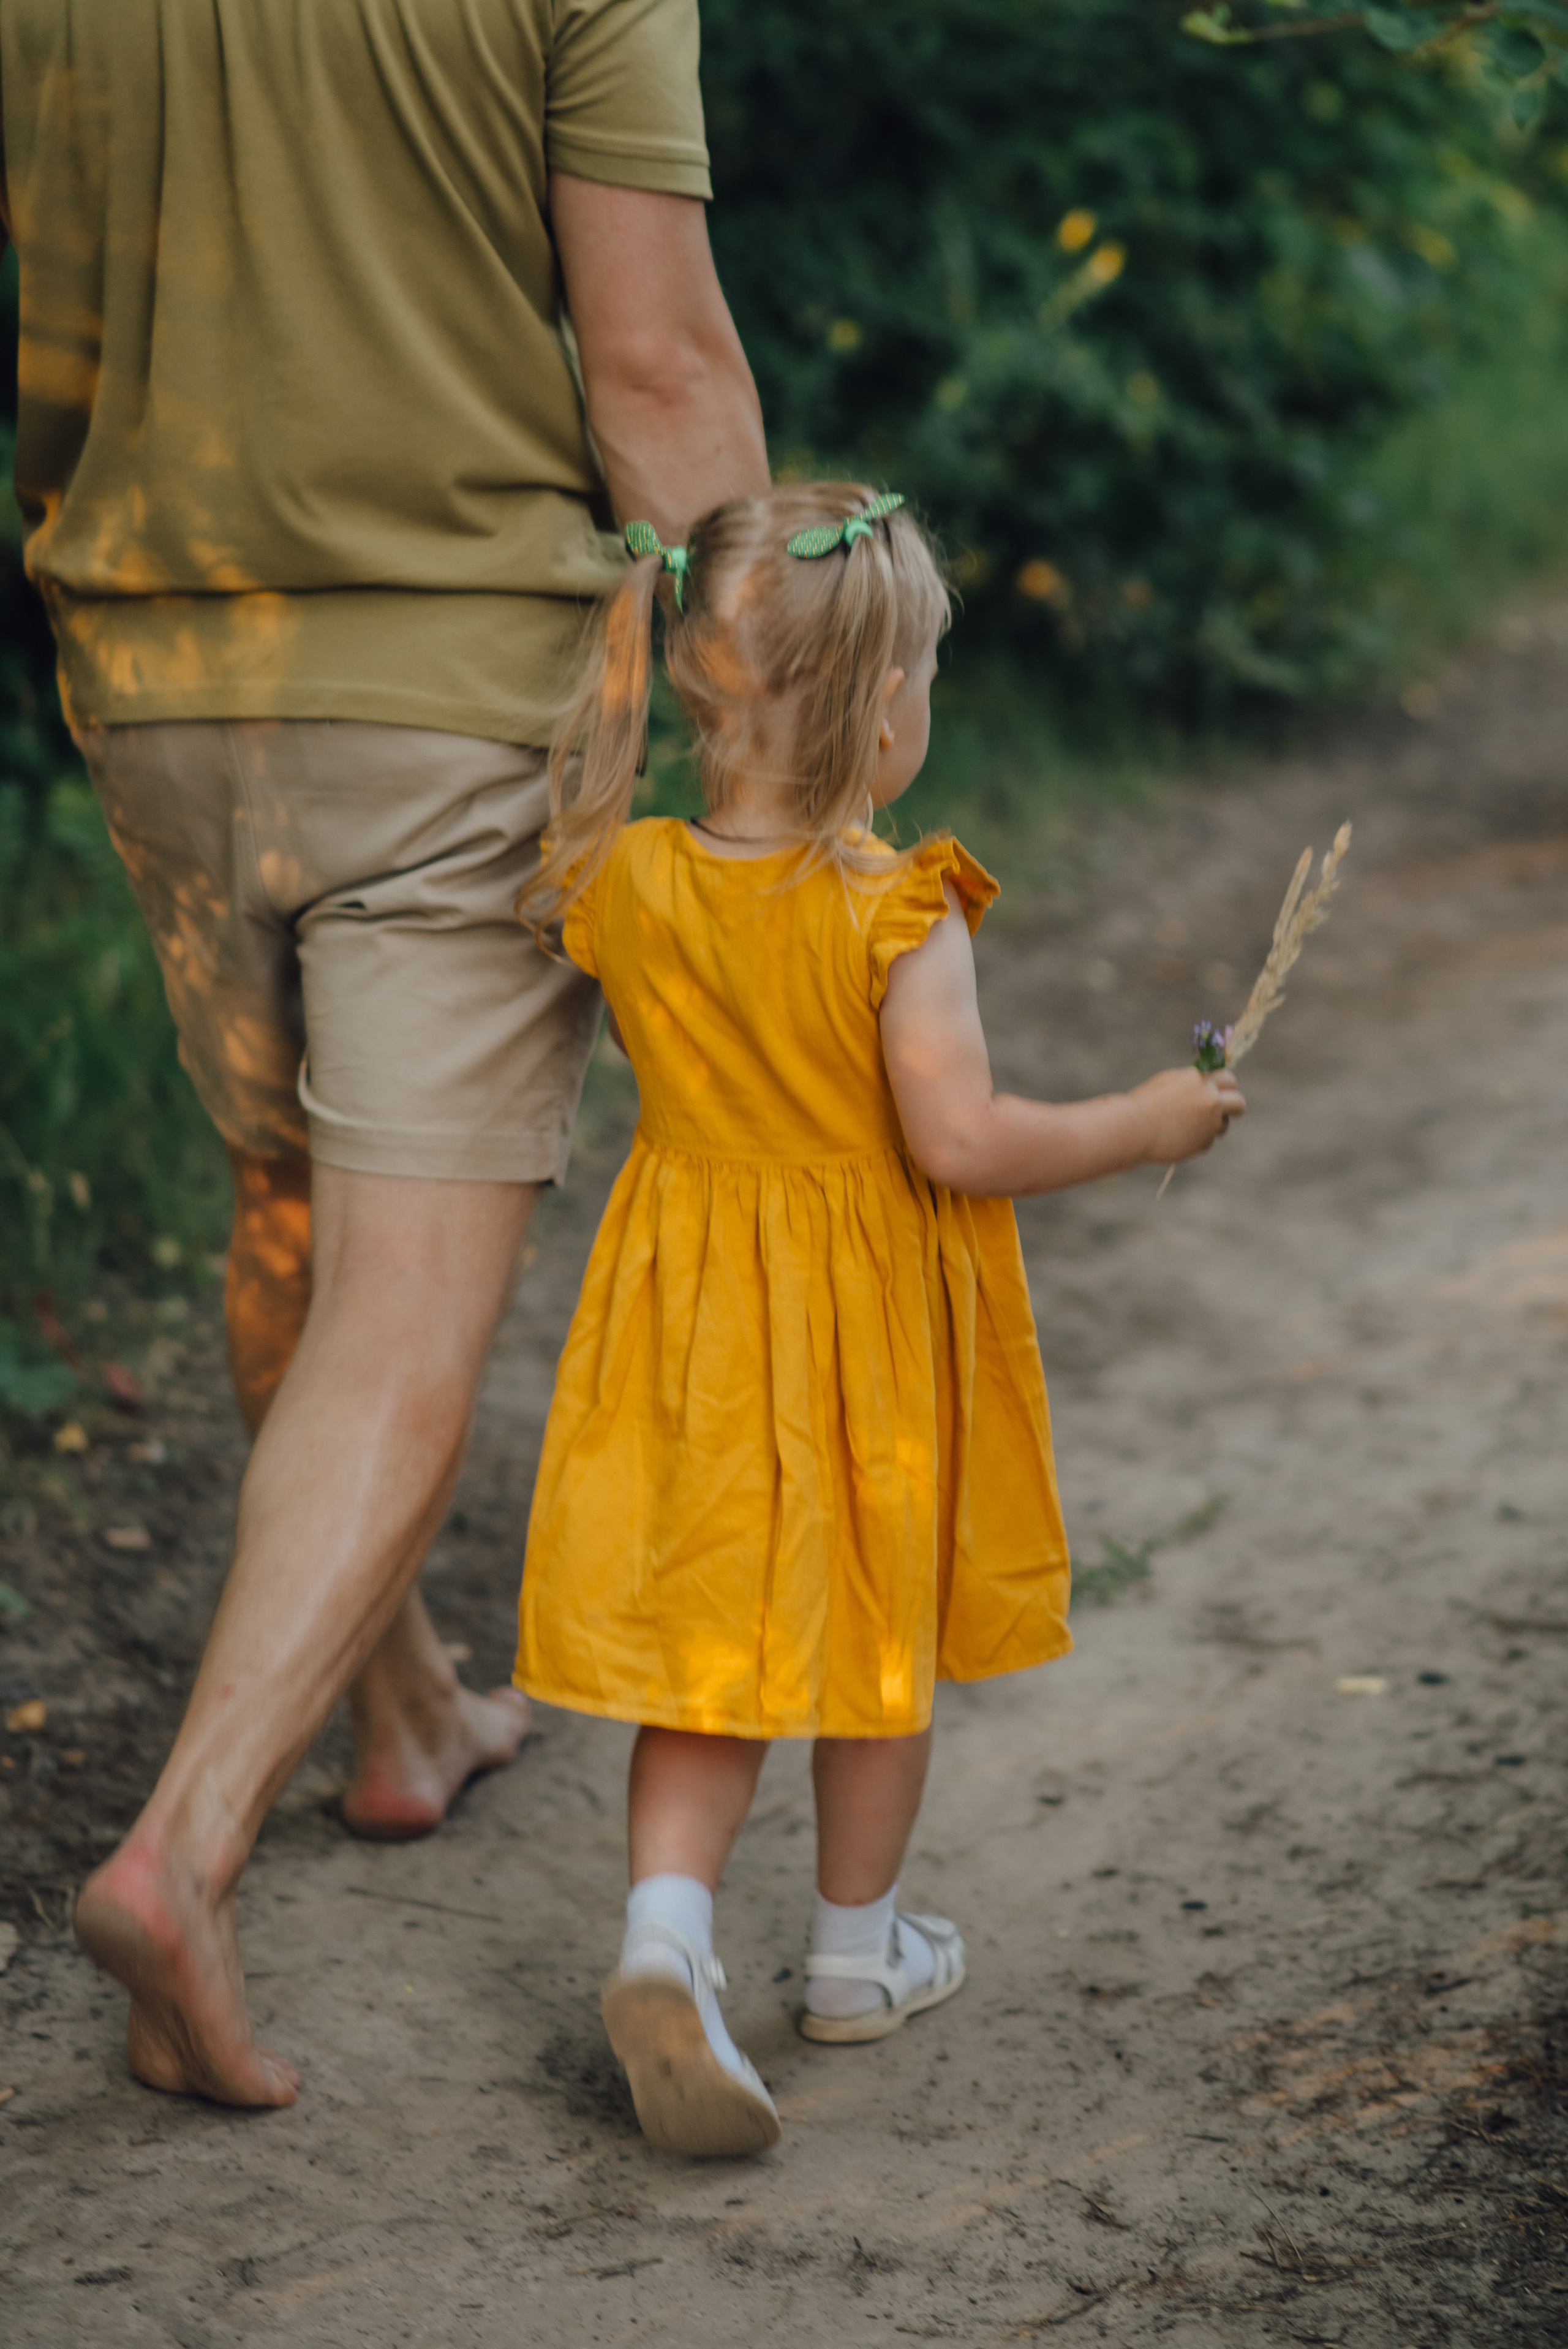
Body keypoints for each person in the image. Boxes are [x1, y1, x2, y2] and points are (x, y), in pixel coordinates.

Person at [0, 0, 768, 2106]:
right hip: (450, 683)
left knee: (288, 1201)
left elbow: (43, 351)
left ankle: (406, 1708)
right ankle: (185, 1847)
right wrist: (764, 711)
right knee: (406, 1293)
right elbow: (655, 367)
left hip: (153, 665)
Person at [511, 484, 1246, 2157]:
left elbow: (570, 946)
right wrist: (1147, 1117)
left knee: (714, 1643)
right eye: (921, 673)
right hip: (858, 1335)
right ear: (878, 707)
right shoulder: (899, 907)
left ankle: (666, 1935)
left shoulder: (622, 879)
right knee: (872, 1635)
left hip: (688, 1320)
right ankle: (855, 1951)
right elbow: (961, 1141)